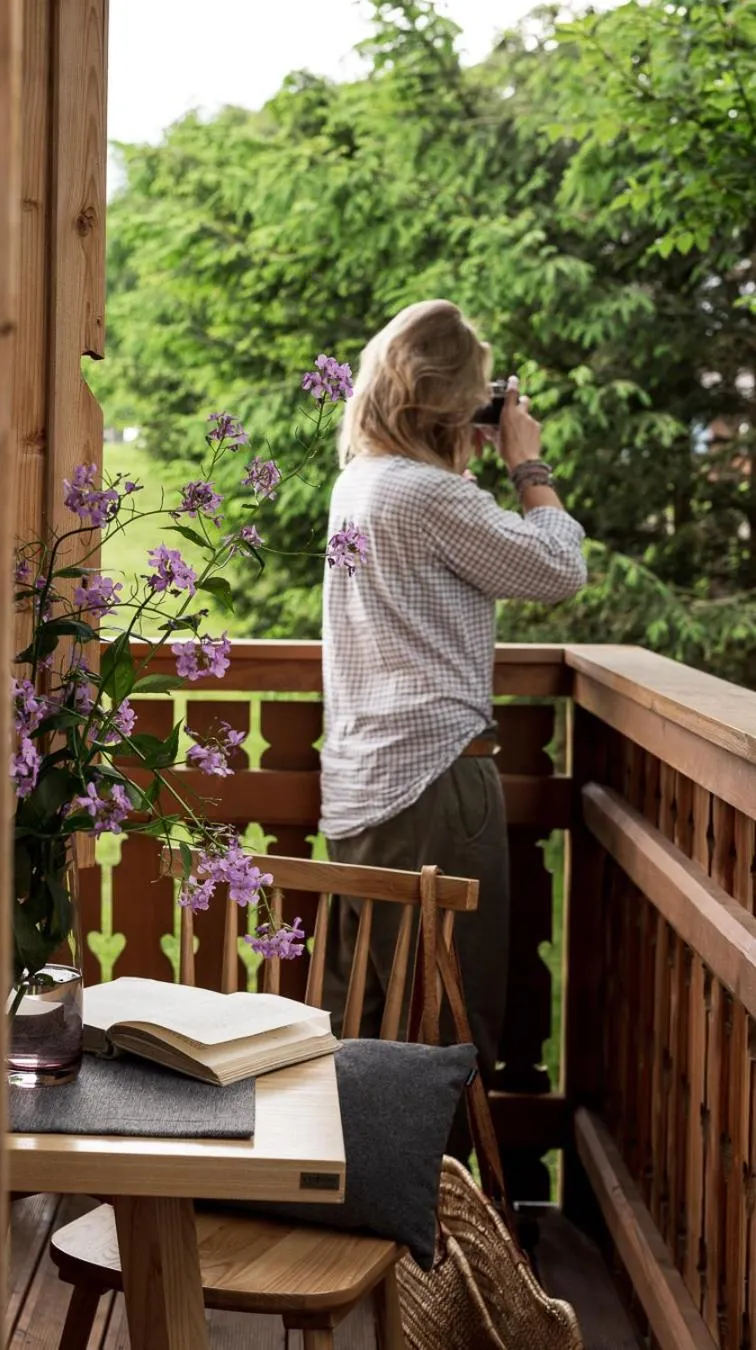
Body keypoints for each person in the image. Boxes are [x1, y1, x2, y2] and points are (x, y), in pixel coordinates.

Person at [319, 299, 587, 1139]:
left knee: (371, 1024)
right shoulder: (430, 495)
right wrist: (527, 463)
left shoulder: (364, 481)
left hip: (365, 783)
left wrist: (461, 452)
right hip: (436, 783)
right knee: (448, 1025)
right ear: (452, 397)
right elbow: (557, 568)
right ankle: (444, 1210)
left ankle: (363, 1202)